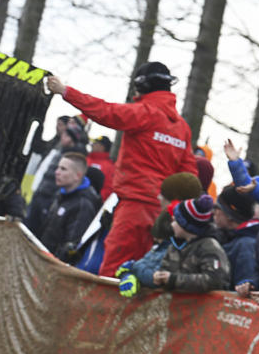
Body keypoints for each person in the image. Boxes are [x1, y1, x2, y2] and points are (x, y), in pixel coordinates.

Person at [45, 63, 197, 277]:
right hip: (163, 212)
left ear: (142, 85)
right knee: (144, 274)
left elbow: (105, 111)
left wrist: (65, 92)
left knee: (114, 269)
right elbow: (190, 177)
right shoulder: (182, 128)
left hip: (134, 206)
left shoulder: (145, 113)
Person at [32, 152, 101, 261]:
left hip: (53, 265)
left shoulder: (83, 205)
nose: (57, 172)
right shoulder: (60, 195)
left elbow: (71, 246)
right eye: (58, 168)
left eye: (63, 169)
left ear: (78, 176)